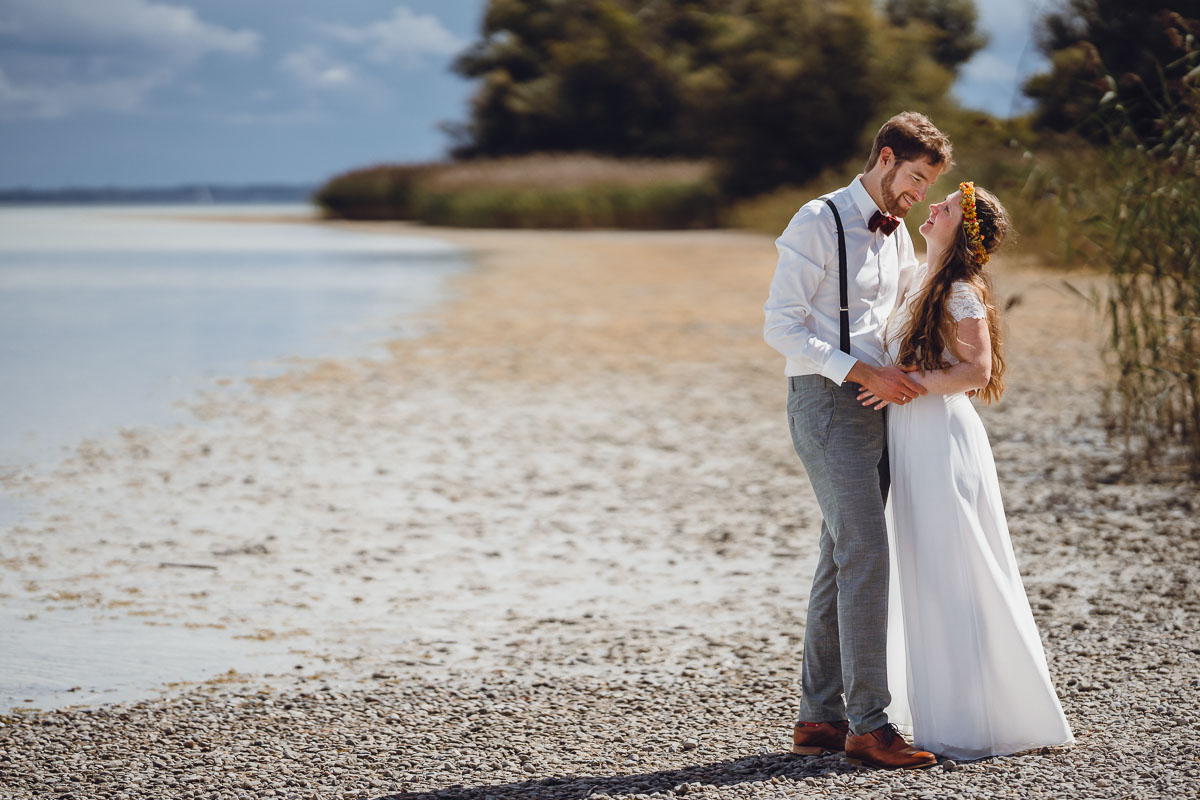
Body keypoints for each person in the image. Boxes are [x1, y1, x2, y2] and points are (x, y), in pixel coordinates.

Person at [858, 182, 1075, 760]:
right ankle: (936, 705)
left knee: (956, 565)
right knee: (924, 568)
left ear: (962, 232)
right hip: (911, 436)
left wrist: (903, 384)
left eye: (948, 208)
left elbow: (976, 370)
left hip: (941, 440)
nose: (934, 206)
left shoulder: (959, 290)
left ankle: (982, 717)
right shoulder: (918, 277)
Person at [763, 111, 950, 770]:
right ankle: (870, 725)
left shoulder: (895, 232)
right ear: (886, 157)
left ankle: (818, 716)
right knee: (866, 552)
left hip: (877, 405)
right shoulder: (817, 220)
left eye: (928, 185)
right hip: (824, 404)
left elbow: (896, 315)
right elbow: (780, 327)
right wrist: (862, 372)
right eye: (916, 177)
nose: (918, 193)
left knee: (839, 557)